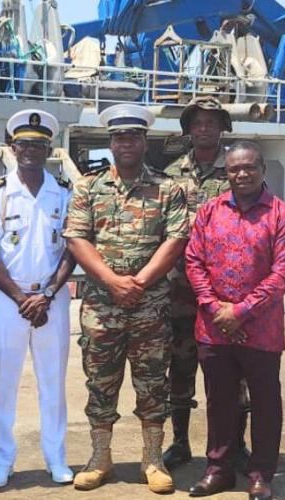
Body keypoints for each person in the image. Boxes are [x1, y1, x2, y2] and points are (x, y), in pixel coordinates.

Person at [63, 104, 188, 494]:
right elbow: (77, 238)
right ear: (111, 142)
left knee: (153, 384)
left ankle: (152, 459)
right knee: (100, 383)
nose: (126, 143)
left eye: (133, 136)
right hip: (102, 306)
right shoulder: (89, 186)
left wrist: (141, 282)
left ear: (144, 140)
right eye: (119, 137)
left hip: (150, 306)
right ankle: (100, 457)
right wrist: (112, 281)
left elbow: (176, 239)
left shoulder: (168, 188)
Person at [184, 141, 285, 499]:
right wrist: (212, 304)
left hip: (260, 330)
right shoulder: (209, 211)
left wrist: (242, 310)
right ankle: (218, 469)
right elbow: (194, 260)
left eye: (249, 167)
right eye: (234, 168)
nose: (242, 174)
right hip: (213, 327)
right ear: (226, 172)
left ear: (263, 169)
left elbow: (284, 274)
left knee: (265, 404)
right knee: (219, 402)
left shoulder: (281, 215)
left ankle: (261, 474)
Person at [0, 109, 76, 487]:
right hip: (7, 300)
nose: (31, 150)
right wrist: (20, 297)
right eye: (24, 144)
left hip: (52, 298)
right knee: (5, 383)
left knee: (53, 381)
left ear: (48, 148)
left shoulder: (63, 192)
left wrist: (46, 294)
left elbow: (72, 247)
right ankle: (3, 461)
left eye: (39, 144)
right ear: (12, 148)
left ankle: (57, 457)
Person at [162, 95, 251, 472]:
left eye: (212, 122)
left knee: (234, 372)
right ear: (188, 129)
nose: (204, 129)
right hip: (180, 289)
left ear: (222, 128)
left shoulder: (238, 172)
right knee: (179, 366)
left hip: (226, 291)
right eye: (197, 123)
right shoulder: (170, 174)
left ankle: (237, 445)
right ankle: (180, 442)